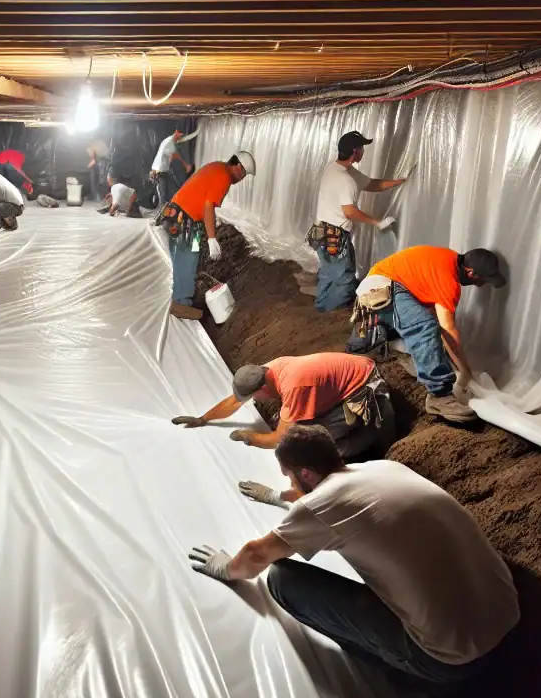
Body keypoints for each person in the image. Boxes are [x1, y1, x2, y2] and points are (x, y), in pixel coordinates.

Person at [188, 425, 519, 694]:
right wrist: (280, 499)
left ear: (305, 473)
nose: (288, 484)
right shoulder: (383, 468)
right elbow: (343, 505)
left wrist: (224, 567)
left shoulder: (318, 508)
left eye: (289, 477)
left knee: (282, 579)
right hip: (507, 615)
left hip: (448, 659)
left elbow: (256, 556)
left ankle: (399, 670)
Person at [350, 245, 506, 423]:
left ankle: (369, 336)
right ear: (471, 273)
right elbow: (446, 328)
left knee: (419, 320)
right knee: (426, 328)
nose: (483, 284)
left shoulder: (447, 259)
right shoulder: (449, 280)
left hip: (375, 286)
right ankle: (439, 396)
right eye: (484, 280)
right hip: (384, 287)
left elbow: (435, 313)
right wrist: (464, 371)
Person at [171, 352, 395, 462]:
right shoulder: (266, 371)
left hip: (366, 389)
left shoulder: (294, 386)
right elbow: (234, 401)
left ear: (261, 388)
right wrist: (203, 419)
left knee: (312, 446)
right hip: (347, 380)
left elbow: (279, 438)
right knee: (296, 424)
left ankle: (365, 443)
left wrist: (250, 437)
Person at [308, 130, 406, 312]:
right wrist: (377, 222)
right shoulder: (346, 180)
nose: (363, 151)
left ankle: (320, 309)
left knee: (329, 275)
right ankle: (329, 316)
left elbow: (372, 184)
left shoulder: (337, 169)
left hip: (321, 232)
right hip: (334, 237)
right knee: (345, 281)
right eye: (362, 147)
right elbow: (350, 212)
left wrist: (399, 181)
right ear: (355, 151)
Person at [155, 152, 256, 320]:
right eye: (244, 174)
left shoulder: (217, 166)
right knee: (189, 257)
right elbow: (208, 206)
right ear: (238, 167)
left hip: (175, 215)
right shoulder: (224, 177)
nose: (242, 179)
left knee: (181, 256)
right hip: (186, 222)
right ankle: (182, 305)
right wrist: (211, 238)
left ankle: (181, 296)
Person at [150, 128, 192, 207]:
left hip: (160, 169)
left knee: (165, 193)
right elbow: (174, 155)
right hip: (160, 171)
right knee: (163, 194)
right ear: (177, 132)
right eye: (181, 136)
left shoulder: (168, 140)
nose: (180, 138)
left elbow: (170, 156)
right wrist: (186, 165)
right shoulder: (170, 143)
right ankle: (163, 214)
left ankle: (165, 210)